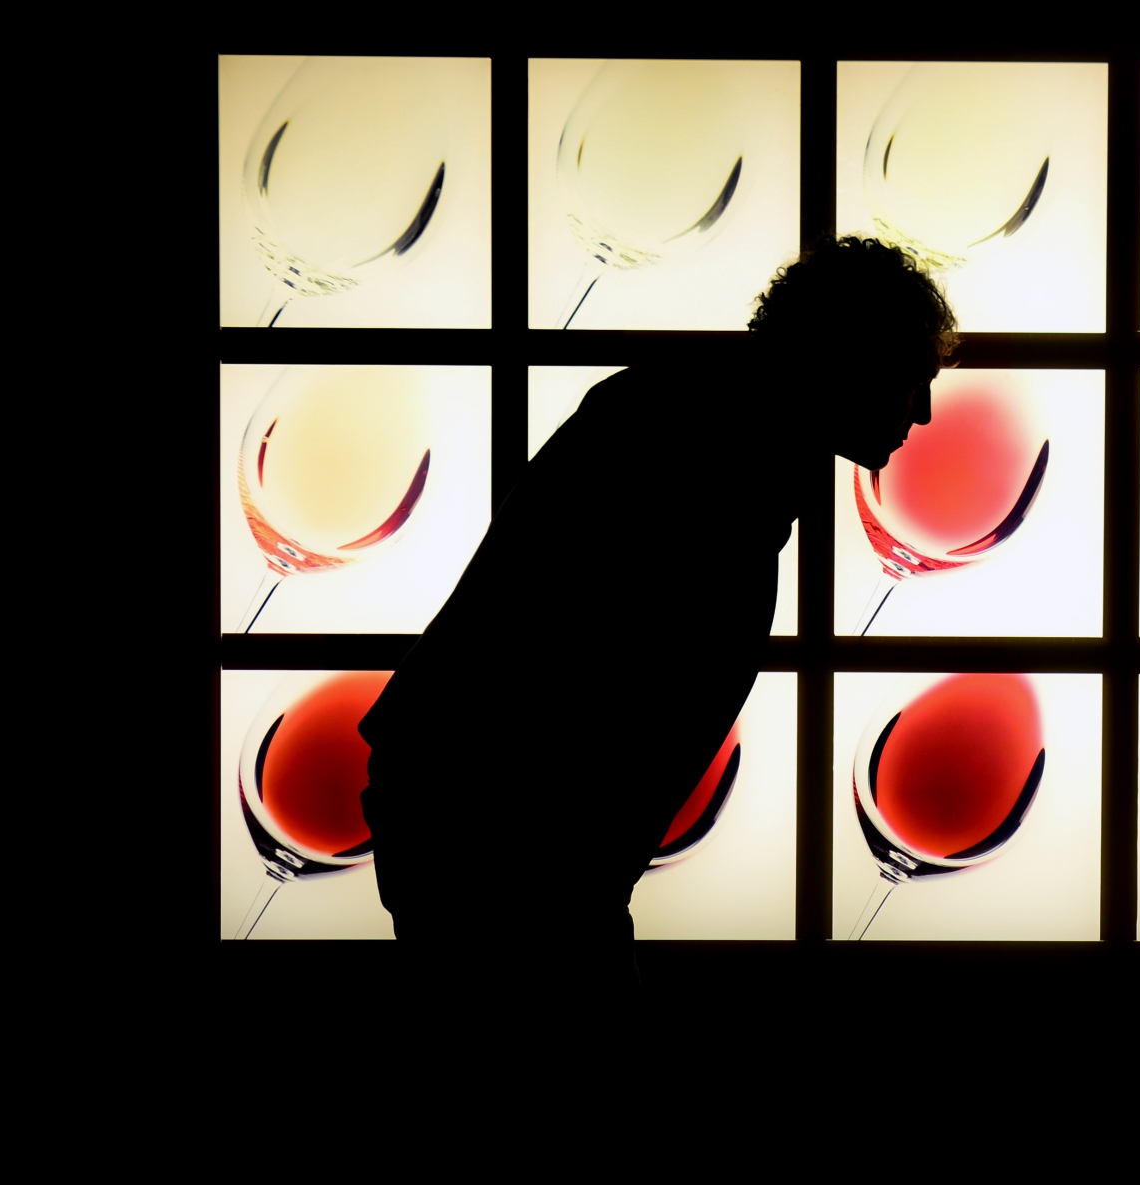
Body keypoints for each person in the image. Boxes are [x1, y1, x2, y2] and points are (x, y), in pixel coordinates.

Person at [358, 236, 958, 965]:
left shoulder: (697, 416)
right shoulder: (708, 449)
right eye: (910, 377)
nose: (922, 412)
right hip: (493, 823)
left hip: (471, 807)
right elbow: (588, 683)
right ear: (849, 354)